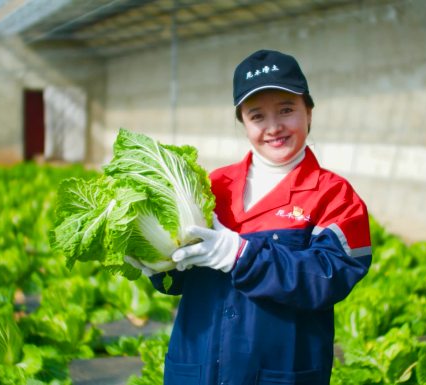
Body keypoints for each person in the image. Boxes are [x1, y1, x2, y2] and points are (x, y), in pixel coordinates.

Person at [148, 49, 372, 385]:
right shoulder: (208, 188)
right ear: (242, 122)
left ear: (309, 112)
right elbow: (184, 279)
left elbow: (326, 278)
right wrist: (158, 262)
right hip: (198, 369)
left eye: (286, 110)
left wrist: (241, 256)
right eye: (257, 116)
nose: (274, 127)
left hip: (280, 372)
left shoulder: (335, 196)